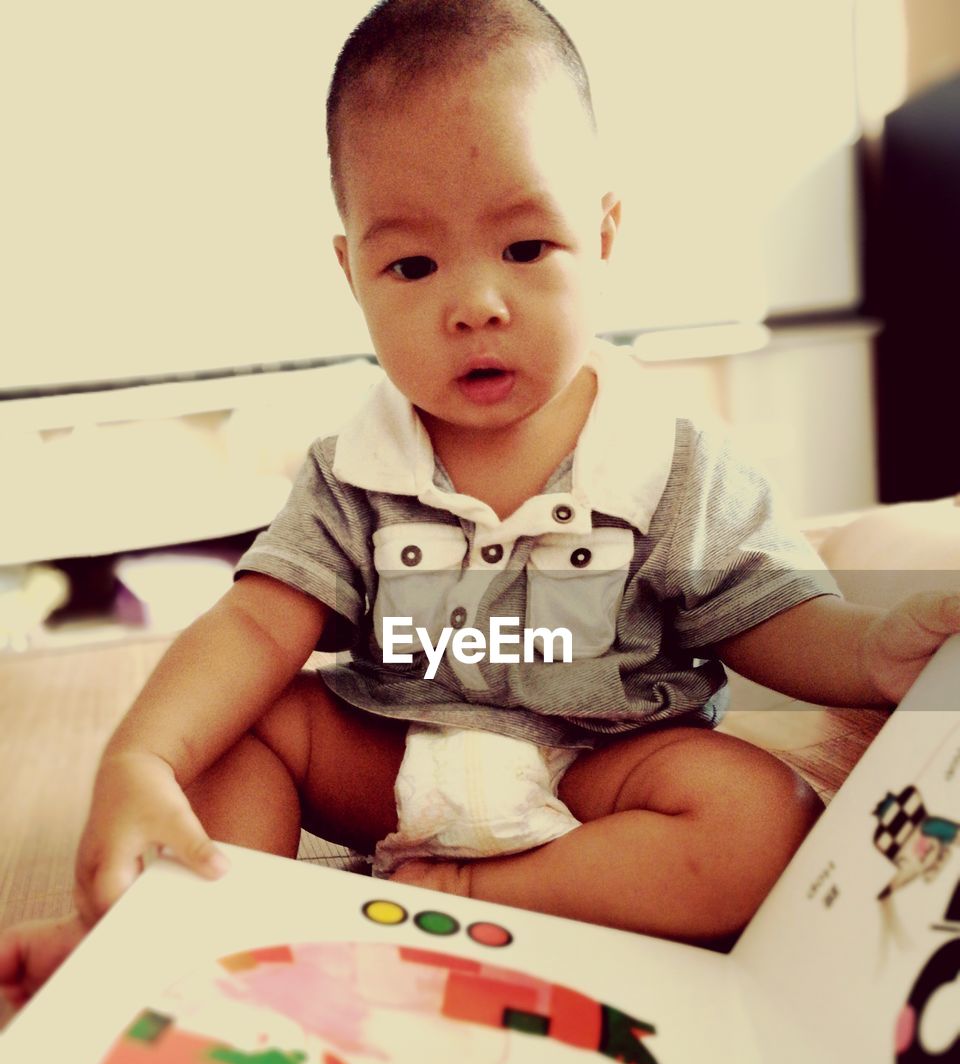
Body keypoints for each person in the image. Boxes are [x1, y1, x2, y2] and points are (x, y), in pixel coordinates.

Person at [3, 0, 960, 1006]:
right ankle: (159, 929)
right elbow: (253, 621)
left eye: (525, 248)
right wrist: (144, 754)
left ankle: (490, 890)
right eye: (412, 264)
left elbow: (774, 614)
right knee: (250, 726)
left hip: (600, 775)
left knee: (760, 818)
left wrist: (869, 647)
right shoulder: (355, 473)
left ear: (602, 231)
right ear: (352, 273)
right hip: (390, 766)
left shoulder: (667, 463)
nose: (475, 304)